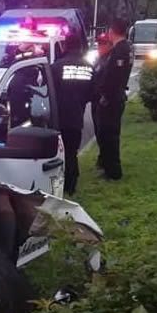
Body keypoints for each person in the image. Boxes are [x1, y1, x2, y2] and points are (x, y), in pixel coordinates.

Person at [50, 36, 94, 196]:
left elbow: (49, 92)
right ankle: (71, 184)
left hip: (58, 118)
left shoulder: (55, 67)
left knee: (58, 153)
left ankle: (60, 185)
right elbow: (92, 93)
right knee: (72, 151)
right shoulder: (89, 68)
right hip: (76, 116)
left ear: (64, 47)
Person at [92, 19, 133, 180]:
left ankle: (113, 171)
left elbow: (112, 78)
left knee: (109, 135)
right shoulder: (125, 48)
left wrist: (104, 95)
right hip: (114, 97)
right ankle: (108, 166)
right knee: (107, 134)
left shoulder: (119, 50)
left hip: (111, 100)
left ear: (112, 31)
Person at [91, 33, 113, 170]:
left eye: (103, 43)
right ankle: (102, 157)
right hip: (95, 99)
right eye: (98, 43)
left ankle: (105, 159)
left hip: (103, 100)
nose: (99, 46)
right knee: (98, 130)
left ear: (109, 45)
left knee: (104, 131)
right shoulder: (99, 59)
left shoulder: (109, 60)